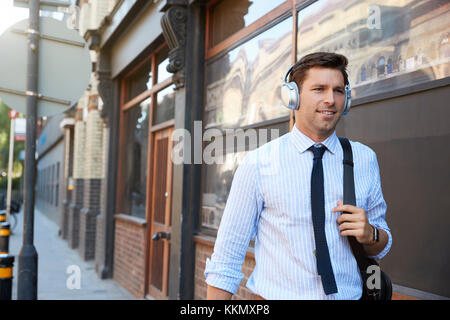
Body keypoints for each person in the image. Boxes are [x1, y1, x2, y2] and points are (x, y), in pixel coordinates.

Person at [204, 52, 392, 300]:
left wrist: (371, 233)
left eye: (338, 91)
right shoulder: (259, 163)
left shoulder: (364, 159)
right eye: (318, 89)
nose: (330, 99)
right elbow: (226, 259)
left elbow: (382, 242)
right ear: (292, 97)